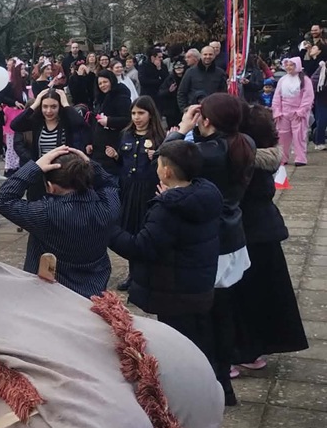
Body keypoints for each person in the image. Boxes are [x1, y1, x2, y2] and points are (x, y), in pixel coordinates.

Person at [165, 95, 254, 406]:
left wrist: (181, 129)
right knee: (224, 313)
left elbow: (166, 161)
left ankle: (211, 383)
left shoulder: (209, 152)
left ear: (208, 120)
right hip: (232, 238)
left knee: (203, 318)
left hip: (209, 243)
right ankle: (224, 384)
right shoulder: (244, 142)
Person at [108, 139, 223, 370]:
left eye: (158, 165)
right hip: (198, 284)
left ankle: (192, 394)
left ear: (167, 171)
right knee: (202, 341)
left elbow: (141, 247)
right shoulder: (204, 195)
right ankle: (219, 388)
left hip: (174, 292)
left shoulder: (169, 210)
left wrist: (107, 230)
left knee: (182, 349)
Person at [229, 105, 307, 373]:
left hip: (249, 232)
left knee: (245, 295)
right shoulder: (263, 157)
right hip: (264, 230)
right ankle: (256, 347)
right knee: (266, 292)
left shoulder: (244, 160)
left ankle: (245, 349)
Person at [0, 146, 120, 298]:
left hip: (50, 294)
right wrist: (91, 165)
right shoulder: (108, 207)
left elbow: (2, 200)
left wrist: (35, 167)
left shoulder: (45, 213)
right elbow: (110, 184)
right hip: (93, 290)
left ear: (51, 187)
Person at [110, 96, 166, 289]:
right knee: (130, 232)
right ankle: (133, 274)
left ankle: (147, 274)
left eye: (141, 113)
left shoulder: (159, 137)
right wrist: (116, 157)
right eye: (133, 113)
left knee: (146, 232)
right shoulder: (126, 134)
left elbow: (166, 168)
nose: (136, 117)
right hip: (128, 188)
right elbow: (124, 162)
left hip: (147, 190)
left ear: (150, 114)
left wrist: (156, 157)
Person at [272, 56, 314, 167]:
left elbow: (308, 97)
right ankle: (283, 157)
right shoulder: (282, 80)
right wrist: (277, 110)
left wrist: (302, 111)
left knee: (299, 135)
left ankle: (300, 157)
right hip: (284, 112)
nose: (289, 67)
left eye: (292, 65)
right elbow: (277, 96)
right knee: (282, 135)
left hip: (298, 112)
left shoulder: (305, 80)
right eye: (287, 65)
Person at [89, 70, 132, 175]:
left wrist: (109, 121)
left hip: (114, 144)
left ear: (111, 81)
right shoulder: (100, 99)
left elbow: (128, 120)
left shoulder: (121, 97)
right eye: (100, 83)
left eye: (105, 82)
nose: (103, 85)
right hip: (98, 147)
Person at [177, 45, 226, 110]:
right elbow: (181, 92)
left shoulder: (220, 73)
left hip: (214, 111)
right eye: (205, 54)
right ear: (201, 55)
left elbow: (223, 93)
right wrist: (185, 109)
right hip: (195, 111)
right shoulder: (190, 72)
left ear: (214, 56)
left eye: (210, 54)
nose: (208, 57)